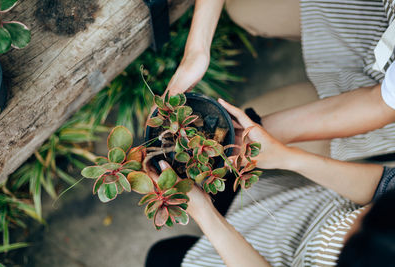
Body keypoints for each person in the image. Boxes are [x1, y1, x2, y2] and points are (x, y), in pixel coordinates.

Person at [146, 0, 395, 266]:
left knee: (163, 257)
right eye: (367, 216)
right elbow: (386, 182)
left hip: (279, 250)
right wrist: (285, 156)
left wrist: (205, 214)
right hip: (306, 208)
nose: (353, 219)